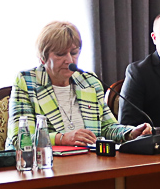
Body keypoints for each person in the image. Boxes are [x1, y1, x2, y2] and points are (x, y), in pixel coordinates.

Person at [8, 21, 150, 148]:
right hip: (45, 164)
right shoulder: (27, 82)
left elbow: (107, 128)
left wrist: (130, 133)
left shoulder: (89, 82)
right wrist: (61, 139)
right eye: (60, 54)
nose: (69, 60)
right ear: (42, 58)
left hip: (89, 162)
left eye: (74, 53)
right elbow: (20, 139)